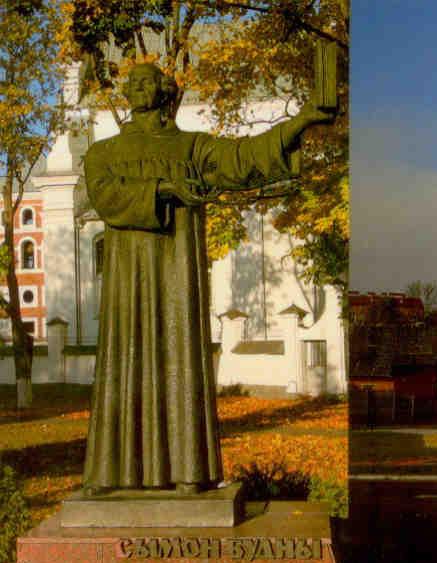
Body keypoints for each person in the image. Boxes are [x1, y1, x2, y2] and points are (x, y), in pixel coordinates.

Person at [81, 62, 334, 496]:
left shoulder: (191, 149)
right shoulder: (102, 153)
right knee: (126, 355)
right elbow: (105, 197)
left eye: (146, 80)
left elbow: (243, 159)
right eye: (132, 82)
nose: (136, 86)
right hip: (128, 276)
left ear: (164, 92)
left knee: (181, 354)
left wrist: (300, 122)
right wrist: (162, 190)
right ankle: (114, 473)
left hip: (177, 270)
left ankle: (187, 471)